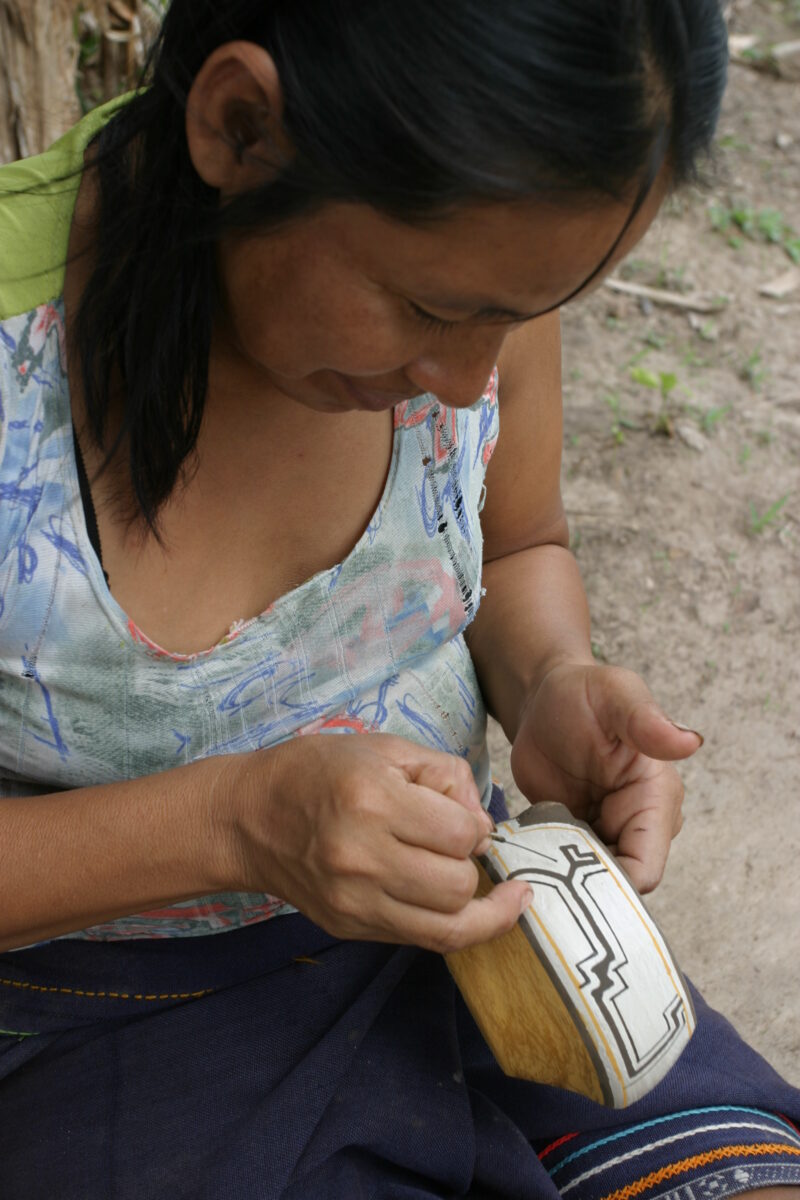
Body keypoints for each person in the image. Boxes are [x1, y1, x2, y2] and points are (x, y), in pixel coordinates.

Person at [0, 2, 798, 1197]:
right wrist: (238, 825)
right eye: (428, 310)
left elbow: (517, 543)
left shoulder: (479, 278)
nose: (468, 381)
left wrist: (551, 683)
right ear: (238, 125)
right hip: (104, 1017)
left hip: (469, 937)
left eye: (519, 318)